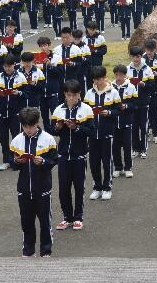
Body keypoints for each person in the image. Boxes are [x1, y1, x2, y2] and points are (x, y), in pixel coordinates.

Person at [11, 107, 59, 257]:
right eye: (25, 127)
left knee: (45, 221)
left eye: (31, 126)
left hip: (43, 189)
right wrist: (17, 161)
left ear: (37, 123)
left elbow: (54, 161)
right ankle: (28, 250)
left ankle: (46, 251)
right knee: (26, 222)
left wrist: (43, 161)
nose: (29, 130)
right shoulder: (17, 140)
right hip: (24, 189)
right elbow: (13, 165)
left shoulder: (48, 139)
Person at [53, 79, 94, 230]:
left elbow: (91, 131)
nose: (71, 98)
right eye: (68, 95)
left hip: (79, 155)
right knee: (63, 188)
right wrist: (57, 127)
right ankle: (67, 217)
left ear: (79, 94)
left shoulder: (86, 110)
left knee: (79, 188)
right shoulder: (58, 110)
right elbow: (53, 132)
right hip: (63, 155)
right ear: (64, 94)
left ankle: (78, 217)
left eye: (74, 95)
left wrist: (76, 128)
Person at [84, 66, 117, 201]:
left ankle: (107, 187)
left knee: (107, 161)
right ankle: (97, 187)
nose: (97, 82)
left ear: (105, 77)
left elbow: (119, 110)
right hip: (92, 134)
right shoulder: (89, 93)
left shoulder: (113, 92)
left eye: (100, 79)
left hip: (107, 132)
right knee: (94, 162)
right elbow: (84, 111)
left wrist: (109, 112)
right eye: (95, 79)